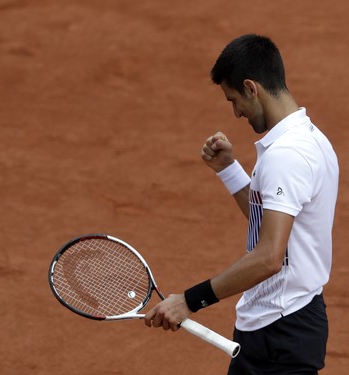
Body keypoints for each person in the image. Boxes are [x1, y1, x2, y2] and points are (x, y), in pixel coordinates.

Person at [144, 34, 339, 374]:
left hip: (279, 333)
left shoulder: (286, 156)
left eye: (234, 99)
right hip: (284, 324)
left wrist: (189, 301)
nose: (235, 112)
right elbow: (270, 226)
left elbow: (268, 258)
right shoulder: (311, 140)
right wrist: (229, 171)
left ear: (252, 87)